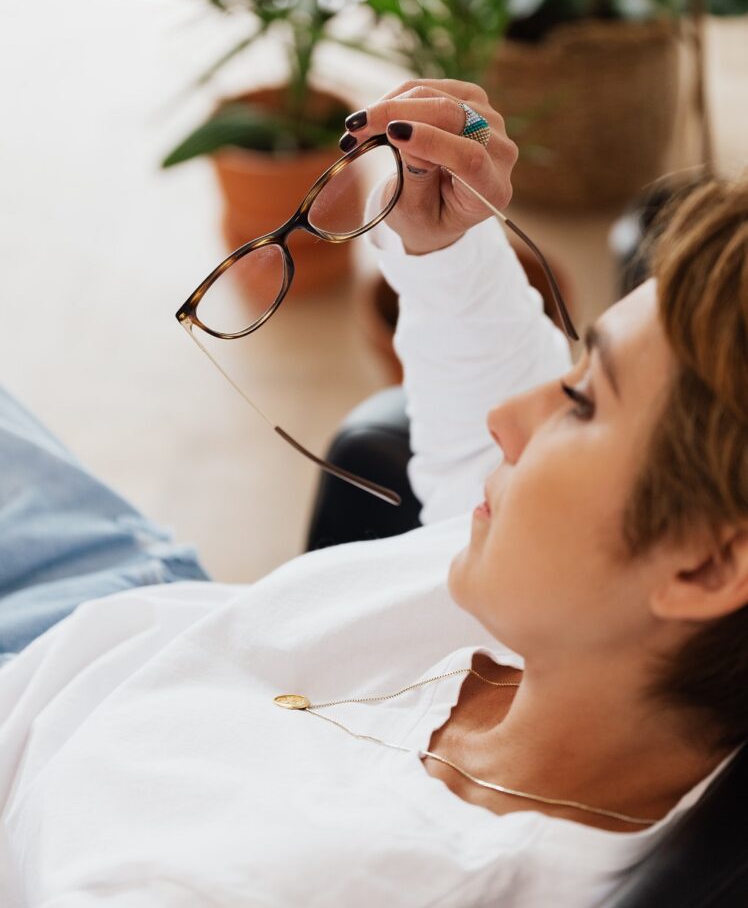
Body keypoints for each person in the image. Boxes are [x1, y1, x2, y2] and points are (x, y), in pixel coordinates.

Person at [0, 78, 746, 907]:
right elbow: (504, 459)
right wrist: (447, 249)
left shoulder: (369, 879)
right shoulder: (588, 619)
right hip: (134, 608)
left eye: (581, 402)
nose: (510, 418)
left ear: (708, 567)